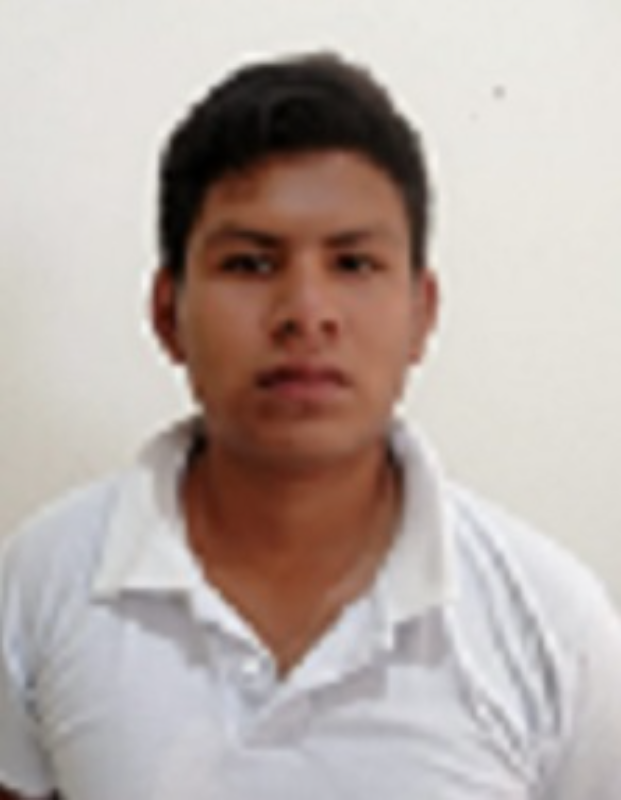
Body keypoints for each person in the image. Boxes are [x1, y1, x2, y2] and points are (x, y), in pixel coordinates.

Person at [1, 52, 620, 800]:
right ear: (168, 313)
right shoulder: (41, 581)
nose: (306, 313)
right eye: (250, 264)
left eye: (353, 264)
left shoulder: (553, 623)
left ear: (421, 313)